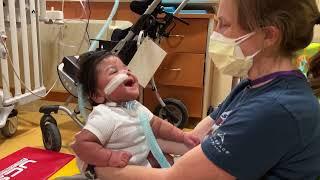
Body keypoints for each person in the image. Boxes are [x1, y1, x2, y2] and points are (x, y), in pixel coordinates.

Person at [93, 0, 320, 179]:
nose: (216, 34)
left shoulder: (275, 109)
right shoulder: (253, 86)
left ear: (269, 35)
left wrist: (99, 167)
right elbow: (195, 139)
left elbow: (175, 178)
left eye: (225, 24)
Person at [70, 51, 200, 175]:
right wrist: (109, 157)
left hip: (140, 165)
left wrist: (183, 136)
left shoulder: (136, 107)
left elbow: (159, 126)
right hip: (118, 173)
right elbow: (81, 145)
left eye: (127, 68)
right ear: (98, 95)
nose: (126, 72)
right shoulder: (106, 115)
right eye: (114, 71)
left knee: (168, 161)